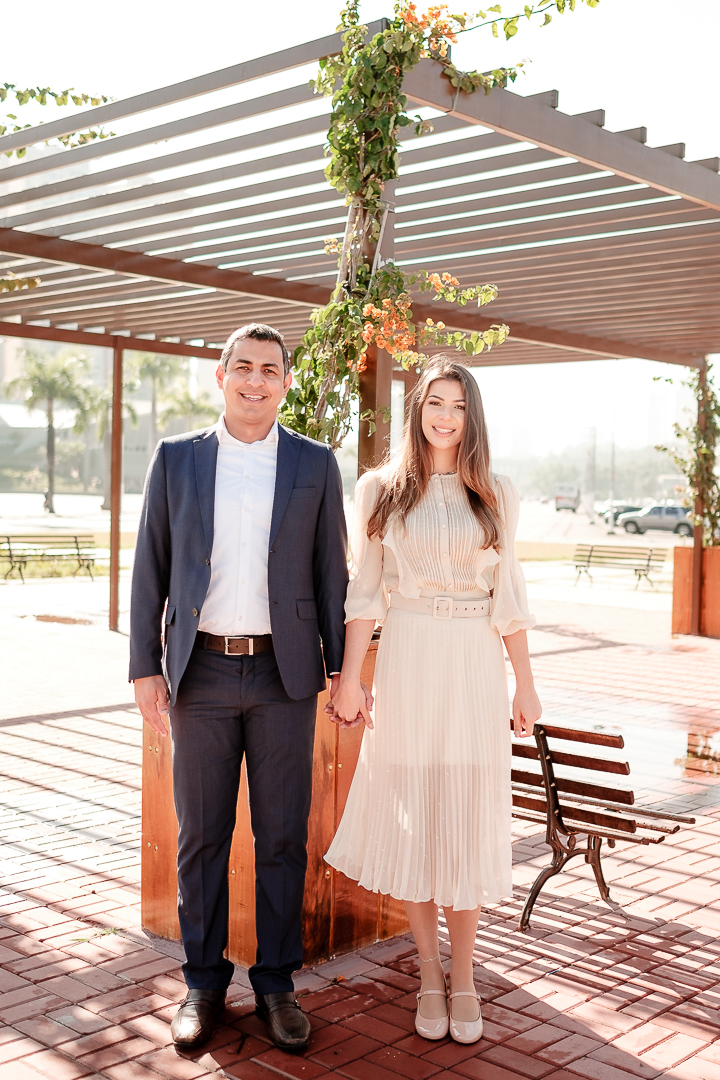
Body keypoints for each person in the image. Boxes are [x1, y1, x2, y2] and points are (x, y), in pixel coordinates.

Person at [129, 323, 350, 1053]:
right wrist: (144, 666)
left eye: (270, 370)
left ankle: (276, 984)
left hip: (287, 676)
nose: (257, 380)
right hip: (202, 674)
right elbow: (150, 566)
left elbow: (331, 574)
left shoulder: (315, 463)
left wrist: (343, 672)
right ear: (220, 376)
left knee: (282, 836)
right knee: (202, 836)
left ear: (286, 381)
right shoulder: (177, 458)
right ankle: (202, 982)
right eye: (244, 367)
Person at [325, 355, 542, 1045]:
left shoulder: (497, 492)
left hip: (474, 658)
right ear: (416, 411)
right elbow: (365, 594)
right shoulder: (379, 490)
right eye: (434, 404)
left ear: (471, 417)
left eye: (458, 406)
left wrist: (525, 681)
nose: (445, 417)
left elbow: (509, 594)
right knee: (417, 818)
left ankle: (466, 976)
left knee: (466, 817)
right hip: (411, 654)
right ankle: (427, 971)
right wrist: (351, 678)